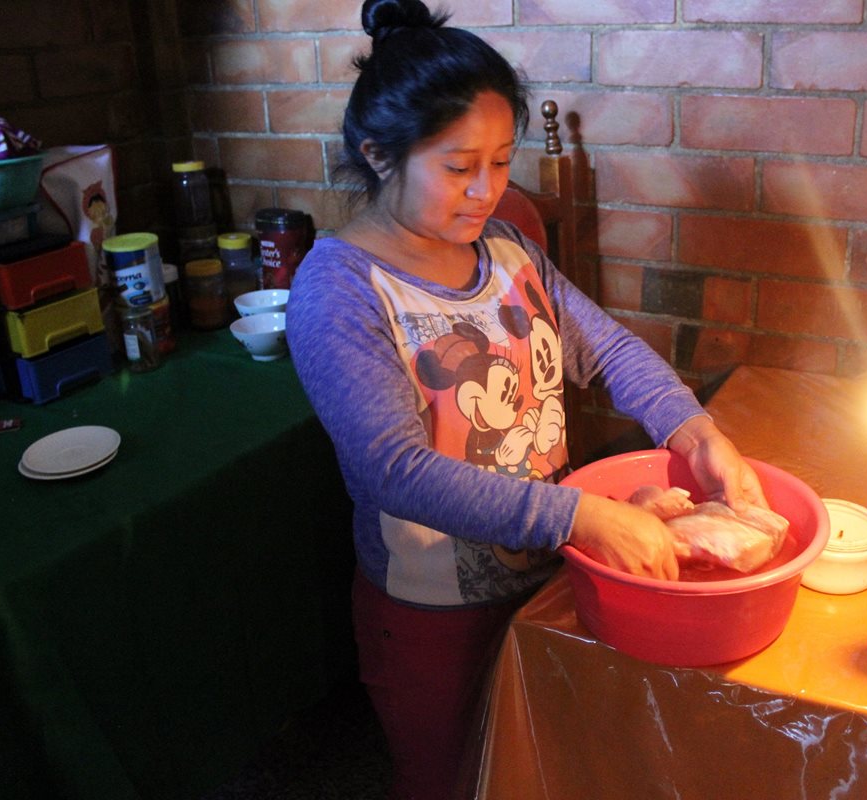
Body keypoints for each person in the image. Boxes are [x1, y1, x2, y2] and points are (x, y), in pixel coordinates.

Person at [286, 1, 767, 797]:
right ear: (378, 155)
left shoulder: (506, 251)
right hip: (433, 616)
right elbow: (390, 470)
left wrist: (692, 428)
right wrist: (578, 515)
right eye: (457, 165)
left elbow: (604, 348)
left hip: (550, 580)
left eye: (502, 162)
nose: (486, 192)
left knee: (543, 765)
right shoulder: (339, 289)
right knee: (454, 777)